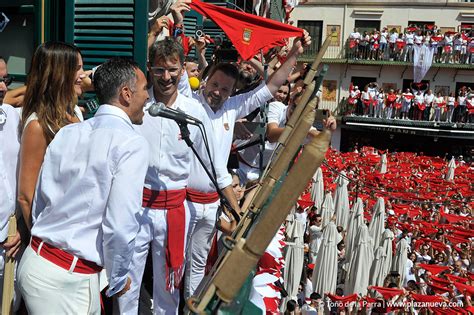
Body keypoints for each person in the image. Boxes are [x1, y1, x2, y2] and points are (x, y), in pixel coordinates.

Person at [17, 57, 150, 314]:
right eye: (145, 89)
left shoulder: (69, 131)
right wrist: (120, 276)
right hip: (65, 278)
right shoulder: (130, 143)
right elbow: (121, 224)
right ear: (126, 94)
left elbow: (42, 200)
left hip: (43, 265)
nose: (147, 96)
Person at [116, 37, 218, 314]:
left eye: (173, 69)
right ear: (150, 69)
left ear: (183, 69)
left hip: (175, 208)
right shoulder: (136, 106)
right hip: (137, 207)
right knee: (127, 280)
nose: (166, 77)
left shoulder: (195, 112)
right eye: (160, 70)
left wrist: (223, 202)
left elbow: (210, 164)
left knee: (169, 286)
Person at [17, 42, 86, 230]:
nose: (83, 74)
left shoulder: (75, 112)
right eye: (77, 68)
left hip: (74, 222)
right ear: (59, 74)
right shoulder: (37, 126)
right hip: (52, 234)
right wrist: (42, 241)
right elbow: (25, 196)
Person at [0, 56, 22, 311]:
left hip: (12, 244)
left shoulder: (11, 116)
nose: (4, 88)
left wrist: (22, 230)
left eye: (6, 80)